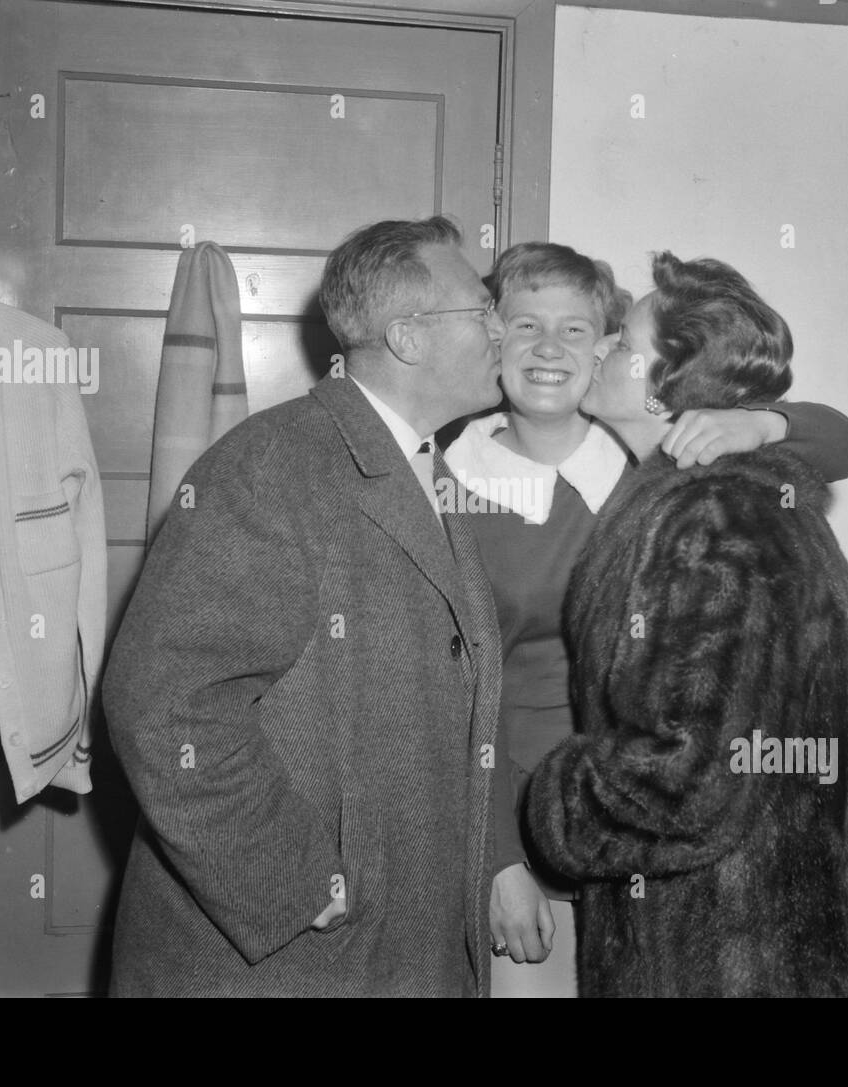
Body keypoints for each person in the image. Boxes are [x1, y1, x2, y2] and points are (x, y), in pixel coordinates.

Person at [444, 242, 848, 997]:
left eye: (581, 330)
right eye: (526, 325)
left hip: (664, 832)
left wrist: (760, 423)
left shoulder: (655, 461)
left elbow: (843, 440)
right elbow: (456, 695)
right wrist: (497, 858)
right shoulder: (444, 482)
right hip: (530, 830)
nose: (555, 348)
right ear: (492, 338)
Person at [523, 252, 848, 997]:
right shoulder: (698, 496)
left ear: (666, 395)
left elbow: (693, 779)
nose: (598, 348)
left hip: (755, 950)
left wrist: (553, 801)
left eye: (621, 343)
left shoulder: (712, 518)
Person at [103, 216, 508, 996]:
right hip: (293, 963)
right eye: (481, 309)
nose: (499, 329)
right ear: (410, 336)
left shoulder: (422, 465)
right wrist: (293, 885)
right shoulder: (270, 468)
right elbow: (161, 704)